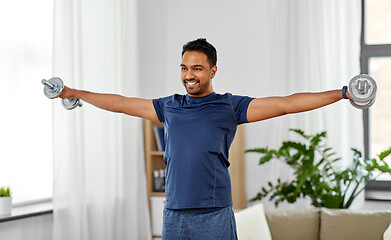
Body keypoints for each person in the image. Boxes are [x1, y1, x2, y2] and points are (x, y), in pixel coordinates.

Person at [60, 38, 351, 240]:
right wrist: (75, 93)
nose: (189, 75)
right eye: (184, 68)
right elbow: (121, 103)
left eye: (197, 68)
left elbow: (287, 103)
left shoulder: (229, 106)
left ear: (212, 71)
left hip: (213, 215)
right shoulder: (169, 106)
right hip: (174, 214)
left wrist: (343, 93)